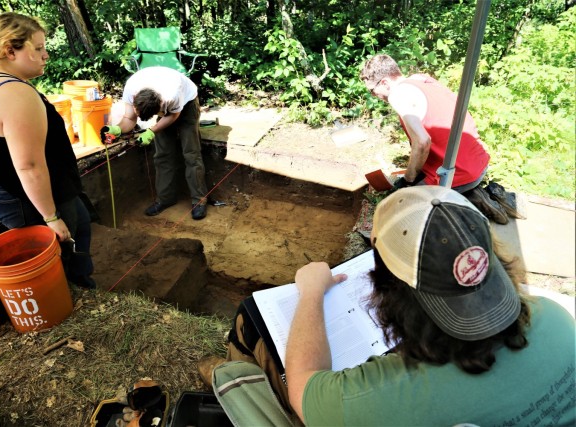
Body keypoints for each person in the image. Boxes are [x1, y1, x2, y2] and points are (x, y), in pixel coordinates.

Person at [211, 186, 575, 425]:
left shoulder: (385, 398)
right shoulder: (556, 320)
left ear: (392, 296)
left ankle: (228, 379)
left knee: (249, 323)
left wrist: (310, 293)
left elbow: (304, 389)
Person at [0, 12, 96, 289]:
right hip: (33, 198)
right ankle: (74, 295)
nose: (46, 55)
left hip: (33, 189)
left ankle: (78, 283)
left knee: (82, 224)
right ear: (9, 50)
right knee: (62, 252)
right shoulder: (16, 95)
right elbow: (29, 166)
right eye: (38, 48)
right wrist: (51, 218)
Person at [360, 54, 514, 224]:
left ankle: (470, 202)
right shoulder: (422, 79)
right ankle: (474, 192)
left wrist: (408, 181)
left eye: (372, 91)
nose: (374, 95)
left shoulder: (398, 94)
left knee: (403, 205)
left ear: (385, 83)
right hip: (478, 161)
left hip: (460, 173)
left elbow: (422, 142)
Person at [100, 66, 208, 220]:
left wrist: (152, 131)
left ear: (160, 107)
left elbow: (173, 116)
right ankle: (165, 199)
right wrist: (116, 129)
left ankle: (199, 201)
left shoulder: (172, 95)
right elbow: (130, 119)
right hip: (160, 100)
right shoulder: (131, 89)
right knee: (162, 154)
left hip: (188, 102)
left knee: (191, 153)